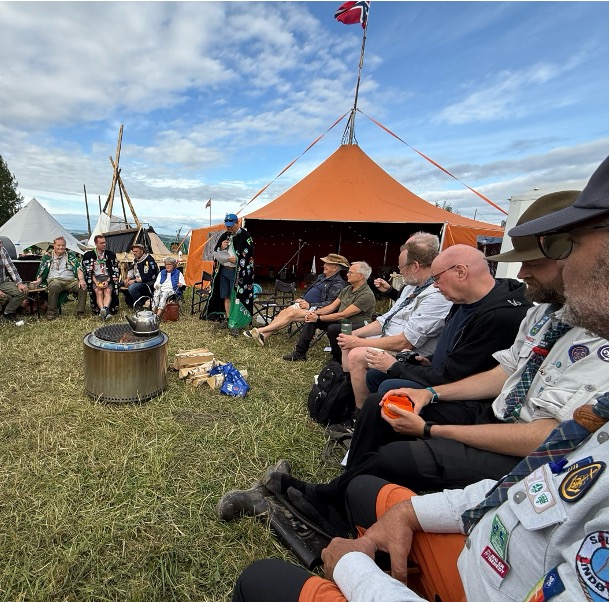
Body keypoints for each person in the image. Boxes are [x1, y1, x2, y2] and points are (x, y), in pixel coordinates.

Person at [229, 156, 609, 602]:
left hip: (506, 457)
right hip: (502, 508)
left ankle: (332, 514)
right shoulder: (548, 317)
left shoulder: (518, 316)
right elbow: (504, 377)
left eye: (541, 258)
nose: (521, 273)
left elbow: (546, 445)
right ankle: (339, 501)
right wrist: (428, 392)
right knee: (379, 418)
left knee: (392, 441)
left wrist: (430, 424)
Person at [351, 244, 531, 407]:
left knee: (389, 385)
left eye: (437, 278)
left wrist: (395, 366)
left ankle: (395, 432)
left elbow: (457, 376)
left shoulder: (498, 316)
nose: (435, 286)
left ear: (460, 272)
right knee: (376, 376)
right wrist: (428, 359)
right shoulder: (464, 300)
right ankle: (373, 417)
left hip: (463, 394)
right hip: (443, 373)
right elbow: (456, 353)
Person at [326, 238, 452, 404]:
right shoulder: (410, 288)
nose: (400, 272)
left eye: (401, 268)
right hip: (389, 340)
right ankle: (347, 392)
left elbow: (405, 342)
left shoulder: (437, 296)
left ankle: (359, 411)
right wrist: (355, 335)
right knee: (347, 338)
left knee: (356, 353)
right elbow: (385, 320)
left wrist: (358, 342)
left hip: (411, 354)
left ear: (415, 266)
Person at [242, 254, 348, 348]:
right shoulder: (322, 278)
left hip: (318, 311)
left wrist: (310, 304)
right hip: (306, 305)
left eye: (327, 264)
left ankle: (260, 330)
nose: (324, 266)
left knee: (291, 314)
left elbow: (331, 303)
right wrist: (303, 298)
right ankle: (264, 336)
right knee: (285, 311)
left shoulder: (337, 283)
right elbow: (311, 291)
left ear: (335, 268)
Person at [281, 261, 375, 361]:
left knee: (332, 328)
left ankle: (337, 358)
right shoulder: (348, 289)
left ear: (360, 276)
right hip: (344, 322)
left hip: (357, 324)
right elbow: (331, 307)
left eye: (350, 272)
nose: (347, 274)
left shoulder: (366, 295)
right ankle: (299, 353)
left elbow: (343, 315)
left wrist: (318, 317)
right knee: (312, 321)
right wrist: (314, 313)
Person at [203, 213, 255, 336]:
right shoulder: (224, 235)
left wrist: (237, 260)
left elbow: (249, 255)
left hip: (237, 272)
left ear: (237, 223)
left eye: (231, 226)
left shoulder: (245, 236)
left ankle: (235, 323)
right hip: (224, 271)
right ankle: (228, 319)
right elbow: (216, 251)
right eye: (227, 226)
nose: (229, 228)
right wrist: (221, 247)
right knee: (226, 296)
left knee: (236, 297)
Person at [31, 236, 87, 321]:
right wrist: (38, 280)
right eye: (59, 245)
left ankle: (80, 312)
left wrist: (82, 280)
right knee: (54, 286)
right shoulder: (48, 256)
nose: (61, 247)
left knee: (83, 286)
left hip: (70, 281)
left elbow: (78, 268)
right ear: (54, 246)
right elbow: (42, 270)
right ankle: (52, 312)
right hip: (55, 280)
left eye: (63, 245)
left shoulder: (70, 256)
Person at [81, 234, 120, 319]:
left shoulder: (111, 255)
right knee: (98, 292)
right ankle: (105, 311)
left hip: (108, 277)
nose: (104, 245)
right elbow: (88, 272)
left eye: (105, 243)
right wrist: (96, 282)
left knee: (108, 291)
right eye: (101, 243)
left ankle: (104, 310)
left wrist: (108, 281)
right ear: (96, 244)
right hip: (96, 278)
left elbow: (115, 270)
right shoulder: (89, 255)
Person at [122, 243, 158, 308]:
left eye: (136, 251)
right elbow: (131, 269)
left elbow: (149, 275)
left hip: (148, 282)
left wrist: (135, 281)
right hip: (137, 280)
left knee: (132, 288)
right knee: (120, 284)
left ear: (142, 251)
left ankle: (139, 305)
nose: (134, 253)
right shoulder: (136, 259)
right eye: (133, 251)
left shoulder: (149, 260)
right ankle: (131, 302)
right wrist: (128, 279)